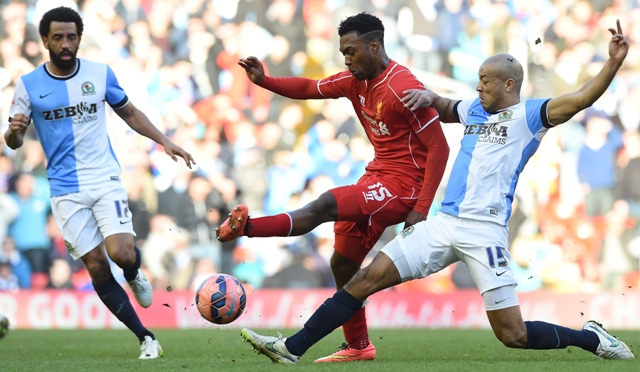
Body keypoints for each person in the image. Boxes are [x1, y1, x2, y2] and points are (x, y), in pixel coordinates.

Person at [238, 20, 634, 364]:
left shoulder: (530, 116)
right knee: (363, 280)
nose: (478, 87)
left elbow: (581, 99)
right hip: (443, 223)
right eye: (478, 80)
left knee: (513, 335)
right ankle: (291, 348)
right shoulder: (475, 110)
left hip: (485, 232)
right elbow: (446, 107)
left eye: (485, 81)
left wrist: (613, 62)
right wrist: (429, 97)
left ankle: (592, 338)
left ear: (508, 84)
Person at [217, 12, 449, 363]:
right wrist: (264, 81)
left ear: (374, 46)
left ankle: (248, 227)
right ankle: (358, 347)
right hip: (376, 177)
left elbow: (440, 147)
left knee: (326, 204)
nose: (347, 59)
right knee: (342, 264)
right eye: (343, 52)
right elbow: (311, 88)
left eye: (352, 51)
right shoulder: (356, 80)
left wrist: (420, 209)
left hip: (405, 187)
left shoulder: (403, 87)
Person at [4, 7, 195, 359]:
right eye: (58, 37)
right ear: (44, 40)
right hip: (64, 189)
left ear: (79, 37)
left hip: (104, 177)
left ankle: (135, 272)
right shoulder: (28, 85)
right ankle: (146, 338)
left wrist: (164, 140)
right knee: (96, 266)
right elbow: (13, 140)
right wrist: (13, 134)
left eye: (71, 36)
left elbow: (130, 113)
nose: (65, 44)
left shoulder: (99, 74)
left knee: (121, 253)